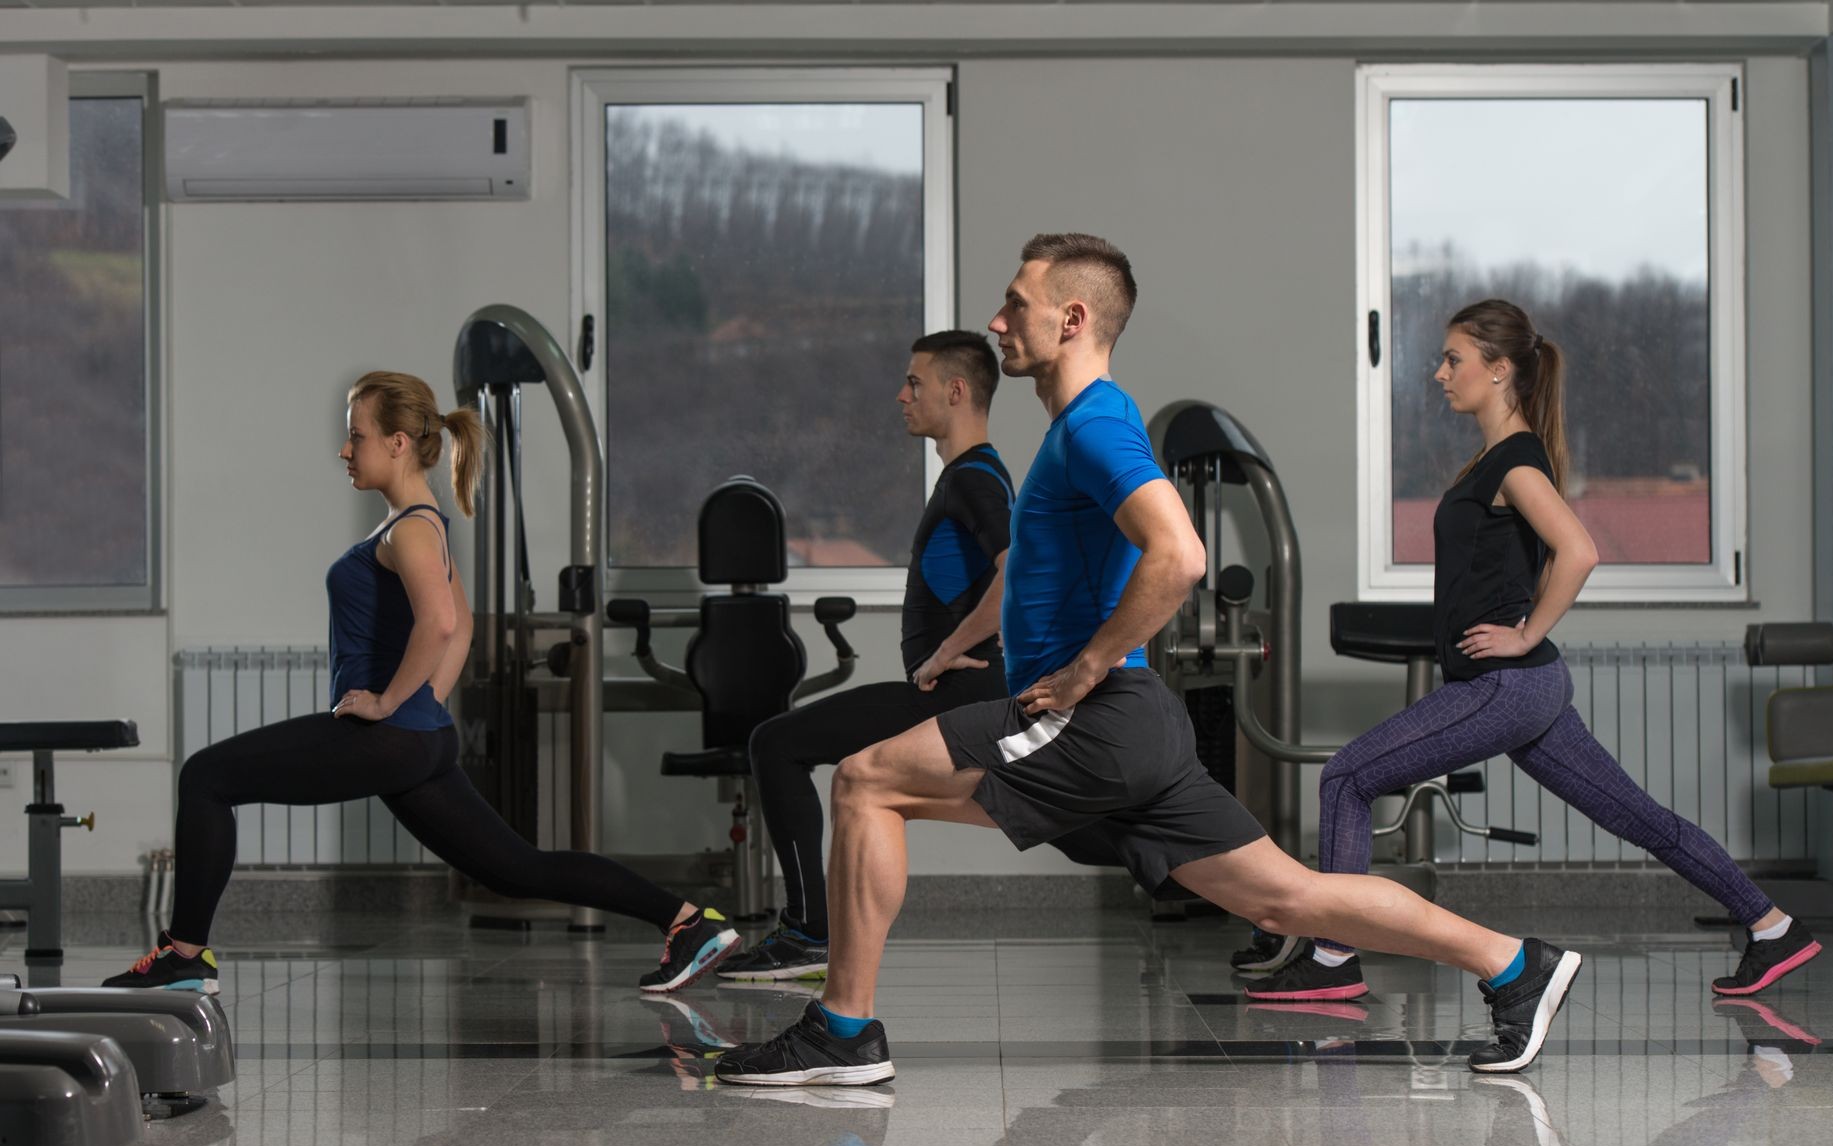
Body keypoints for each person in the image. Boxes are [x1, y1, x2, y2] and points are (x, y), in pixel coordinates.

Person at [713, 235, 1585, 1088]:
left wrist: (1088, 667)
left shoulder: (1093, 428)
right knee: (1290, 899)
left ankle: (842, 1030)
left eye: (1016, 303)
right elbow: (1031, 569)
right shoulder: (1083, 427)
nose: (999, 319)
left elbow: (1181, 554)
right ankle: (1515, 965)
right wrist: (963, 644)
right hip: (1132, 726)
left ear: (1072, 318)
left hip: (1093, 719)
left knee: (867, 781)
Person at [1247, 299, 1820, 1005]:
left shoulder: (1513, 462)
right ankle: (1772, 926)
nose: (1439, 373)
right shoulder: (1499, 457)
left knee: (1346, 778)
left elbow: (1577, 551)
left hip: (1504, 686)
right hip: (1531, 690)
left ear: (1498, 370)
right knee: (1637, 815)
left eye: (1453, 359)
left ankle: (1333, 960)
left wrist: (1523, 632)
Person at [101, 371, 737, 996]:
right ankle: (686, 922)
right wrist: (426, 702)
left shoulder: (408, 529)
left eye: (358, 436)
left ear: (398, 442)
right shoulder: (424, 522)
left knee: (206, 777)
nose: (346, 450)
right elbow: (458, 629)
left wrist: (388, 701)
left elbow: (438, 624)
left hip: (389, 736)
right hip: (419, 739)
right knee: (517, 869)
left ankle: (185, 955)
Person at [717, 332, 1015, 981]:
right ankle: (1266, 903)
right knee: (1088, 828)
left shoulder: (974, 480)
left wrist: (949, 650)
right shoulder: (973, 475)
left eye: (915, 382)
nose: (901, 395)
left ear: (955, 391)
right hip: (967, 694)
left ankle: (808, 932)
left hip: (962, 695)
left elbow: (1014, 573)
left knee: (777, 744)